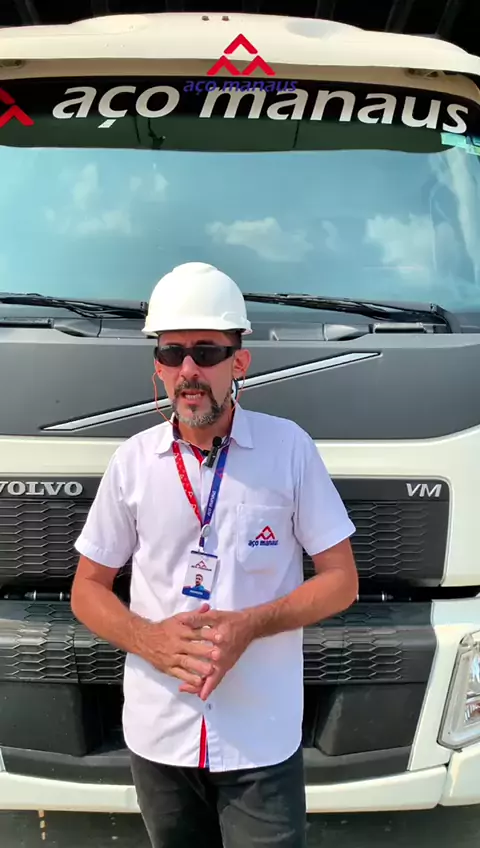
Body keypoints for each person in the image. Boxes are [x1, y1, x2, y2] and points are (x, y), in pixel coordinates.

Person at [71, 261, 358, 848]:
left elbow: (341, 581)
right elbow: (87, 589)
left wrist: (251, 624)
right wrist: (148, 639)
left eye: (206, 352)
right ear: (158, 367)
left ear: (239, 362)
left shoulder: (289, 450)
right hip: (160, 737)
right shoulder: (132, 462)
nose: (189, 370)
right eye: (172, 353)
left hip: (260, 737)